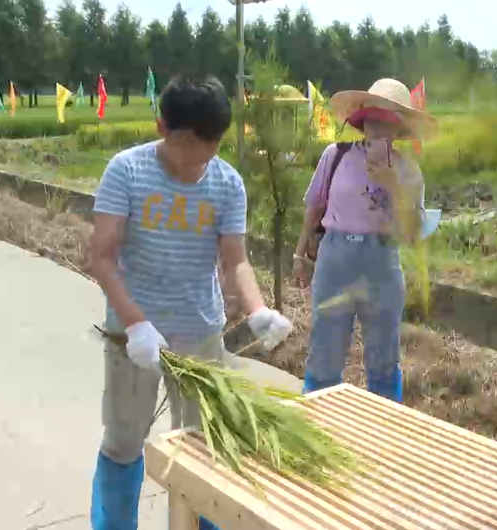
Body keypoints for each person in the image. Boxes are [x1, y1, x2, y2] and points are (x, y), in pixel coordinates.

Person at [85, 76, 295, 530]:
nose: (197, 158)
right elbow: (100, 257)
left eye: (210, 146)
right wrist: (137, 325)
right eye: (187, 144)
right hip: (133, 338)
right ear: (162, 127)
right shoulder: (127, 170)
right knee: (123, 443)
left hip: (200, 334)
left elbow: (235, 260)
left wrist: (257, 309)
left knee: (202, 446)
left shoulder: (227, 183)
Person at [292, 78, 438, 402]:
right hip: (335, 258)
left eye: (388, 122)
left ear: (399, 131)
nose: (378, 128)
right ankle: (317, 423)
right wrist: (300, 254)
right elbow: (315, 206)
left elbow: (413, 232)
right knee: (325, 350)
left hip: (382, 262)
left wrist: (393, 184)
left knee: (383, 357)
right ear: (362, 121)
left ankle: (385, 430)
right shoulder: (336, 156)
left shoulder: (409, 171)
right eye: (373, 119)